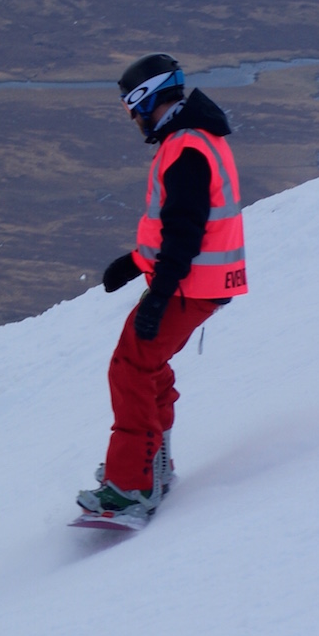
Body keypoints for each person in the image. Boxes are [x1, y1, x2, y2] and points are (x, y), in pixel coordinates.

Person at [77, 53, 248, 520]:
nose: (132, 118)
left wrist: (158, 294)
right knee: (147, 365)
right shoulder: (193, 139)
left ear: (148, 99)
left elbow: (185, 233)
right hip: (195, 282)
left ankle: (131, 487)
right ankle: (153, 465)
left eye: (131, 107)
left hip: (188, 286)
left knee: (130, 368)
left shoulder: (186, 148)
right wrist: (135, 264)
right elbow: (176, 226)